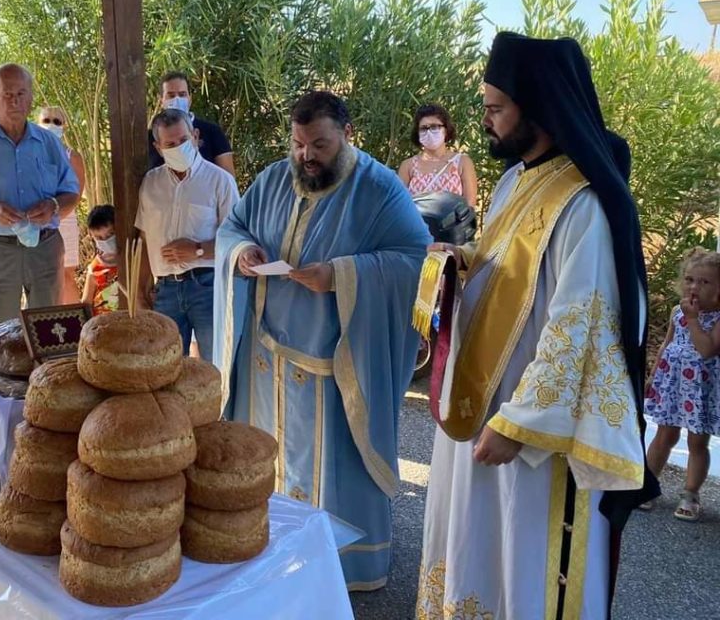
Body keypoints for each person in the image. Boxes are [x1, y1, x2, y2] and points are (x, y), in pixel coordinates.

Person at [417, 33, 658, 619]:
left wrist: (519, 425)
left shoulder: (583, 204)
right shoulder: (515, 180)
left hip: (528, 440)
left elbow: (582, 326)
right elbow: (499, 264)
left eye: (496, 108)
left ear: (540, 107)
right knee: (475, 546)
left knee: (525, 558)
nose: (486, 120)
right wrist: (453, 263)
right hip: (479, 401)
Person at [214, 90, 430, 590]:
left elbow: (416, 259)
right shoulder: (273, 179)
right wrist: (242, 251)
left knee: (328, 479)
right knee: (263, 473)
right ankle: (265, 557)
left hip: (333, 372)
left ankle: (339, 571)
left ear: (346, 136)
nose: (306, 156)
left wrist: (342, 274)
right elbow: (233, 226)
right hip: (267, 362)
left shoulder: (379, 190)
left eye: (320, 145)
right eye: (298, 143)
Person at [0, 64, 80, 332]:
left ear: (31, 98)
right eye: (7, 94)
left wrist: (53, 205)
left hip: (45, 250)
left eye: (21, 93)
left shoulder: (49, 143)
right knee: (0, 340)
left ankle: (42, 375)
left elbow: (71, 193)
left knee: (49, 335)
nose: (15, 101)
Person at [137, 109, 238, 364]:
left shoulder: (220, 182)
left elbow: (237, 242)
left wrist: (197, 250)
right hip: (166, 291)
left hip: (207, 286)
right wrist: (140, 289)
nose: (178, 147)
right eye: (170, 144)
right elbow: (144, 238)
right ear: (158, 148)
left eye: (183, 140)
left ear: (195, 136)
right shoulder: (150, 183)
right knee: (164, 367)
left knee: (216, 366)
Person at [643, 248, 720, 521]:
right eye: (690, 280)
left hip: (701, 390)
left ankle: (690, 493)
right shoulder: (678, 311)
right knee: (664, 435)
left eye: (705, 282)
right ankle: (648, 485)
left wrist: (694, 320)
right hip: (674, 384)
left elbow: (707, 349)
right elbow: (667, 344)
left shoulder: (715, 317)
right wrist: (654, 374)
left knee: (697, 442)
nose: (695, 287)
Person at [37, 105, 86, 305]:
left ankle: (73, 327)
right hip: (34, 223)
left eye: (56, 121)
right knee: (38, 278)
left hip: (64, 221)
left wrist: (55, 215)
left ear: (64, 126)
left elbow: (76, 194)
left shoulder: (72, 157)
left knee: (65, 276)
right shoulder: (27, 154)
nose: (51, 125)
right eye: (46, 120)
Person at [147, 71, 236, 177]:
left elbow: (228, 178)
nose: (177, 99)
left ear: (190, 98)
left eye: (182, 94)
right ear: (161, 100)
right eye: (171, 95)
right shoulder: (150, 137)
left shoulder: (212, 131)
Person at [397, 103, 478, 208]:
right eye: (424, 128)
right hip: (416, 224)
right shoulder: (408, 166)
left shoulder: (462, 163)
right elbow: (400, 205)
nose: (429, 132)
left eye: (435, 126)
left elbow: (469, 205)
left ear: (446, 129)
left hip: (454, 224)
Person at [81, 204, 120, 316]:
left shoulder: (132, 260)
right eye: (99, 238)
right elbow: (86, 303)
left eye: (110, 234)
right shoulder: (94, 268)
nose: (106, 241)